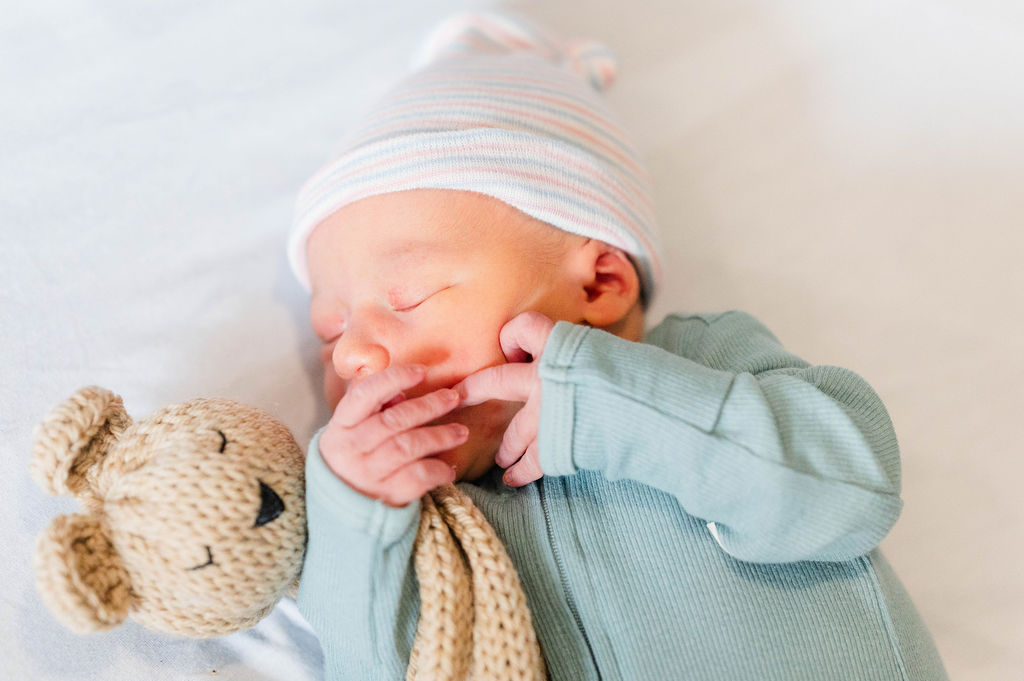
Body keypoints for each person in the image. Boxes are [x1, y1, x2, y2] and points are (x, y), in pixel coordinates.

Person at [287, 11, 948, 681]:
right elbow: (367, 664)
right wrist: (358, 519)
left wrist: (610, 404)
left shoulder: (702, 362)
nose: (352, 355)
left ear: (600, 284)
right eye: (330, 331)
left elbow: (853, 489)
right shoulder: (438, 522)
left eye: (410, 297)